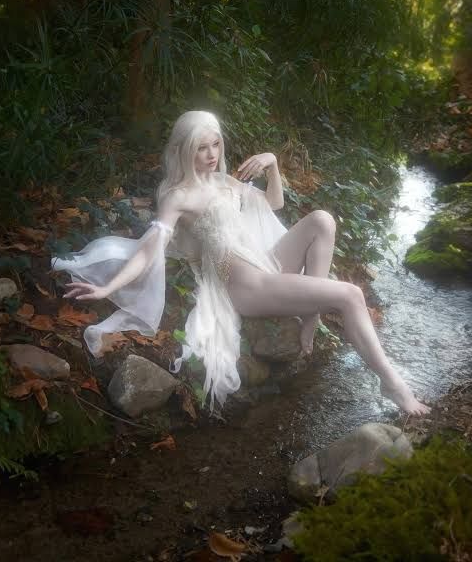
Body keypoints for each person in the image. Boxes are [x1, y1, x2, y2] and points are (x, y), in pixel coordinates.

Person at [53, 110, 430, 416]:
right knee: (350, 295)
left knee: (322, 220)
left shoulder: (223, 181)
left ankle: (309, 318)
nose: (211, 154)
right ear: (183, 150)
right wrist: (108, 287)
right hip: (244, 286)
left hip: (263, 261)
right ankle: (392, 383)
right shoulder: (177, 197)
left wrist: (273, 165)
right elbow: (149, 249)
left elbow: (273, 204)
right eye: (201, 148)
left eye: (215, 144)